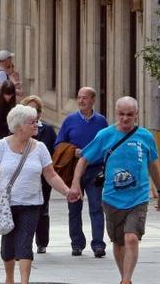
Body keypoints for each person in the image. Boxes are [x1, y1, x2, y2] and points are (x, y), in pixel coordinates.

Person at [67, 96, 160, 284]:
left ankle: (126, 280)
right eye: (121, 114)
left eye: (130, 114)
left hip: (138, 197)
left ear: (136, 114)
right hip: (112, 198)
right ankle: (124, 277)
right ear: (116, 113)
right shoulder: (105, 135)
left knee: (131, 238)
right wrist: (75, 183)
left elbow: (153, 164)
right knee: (119, 242)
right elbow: (84, 159)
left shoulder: (145, 136)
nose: (125, 118)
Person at [0, 105, 71, 284]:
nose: (37, 125)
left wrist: (66, 191)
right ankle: (9, 279)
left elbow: (50, 174)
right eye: (32, 122)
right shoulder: (2, 146)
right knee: (8, 245)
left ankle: (24, 281)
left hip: (32, 204)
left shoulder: (40, 148)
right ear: (19, 126)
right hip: (7, 205)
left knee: (25, 243)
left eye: (37, 121)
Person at [55, 86, 108, 257]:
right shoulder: (69, 121)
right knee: (74, 208)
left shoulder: (101, 121)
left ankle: (98, 245)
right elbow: (58, 144)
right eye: (79, 97)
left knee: (96, 207)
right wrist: (73, 151)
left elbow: (108, 145)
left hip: (94, 170)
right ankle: (77, 244)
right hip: (73, 171)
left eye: (85, 98)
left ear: (93, 100)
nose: (81, 101)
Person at [20, 95, 57, 253]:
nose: (33, 113)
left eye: (35, 110)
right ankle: (23, 239)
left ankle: (42, 242)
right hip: (22, 176)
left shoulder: (47, 130)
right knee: (23, 208)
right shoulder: (17, 130)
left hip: (43, 176)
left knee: (42, 208)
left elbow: (54, 151)